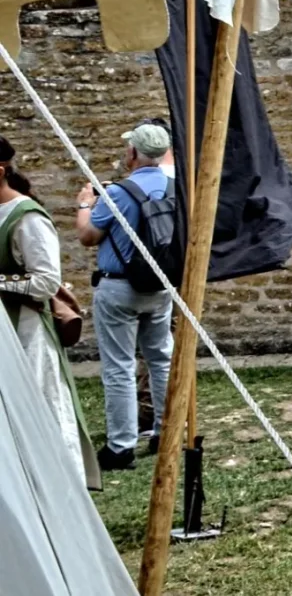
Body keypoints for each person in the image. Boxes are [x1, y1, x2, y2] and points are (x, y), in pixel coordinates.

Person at [74, 119, 176, 474]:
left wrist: (86, 204)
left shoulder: (119, 193)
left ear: (133, 152)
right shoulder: (177, 188)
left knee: (119, 366)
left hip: (119, 285)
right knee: (161, 359)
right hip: (160, 285)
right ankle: (165, 431)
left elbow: (89, 236)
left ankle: (121, 446)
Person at [0, 139, 96, 487]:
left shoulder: (27, 218)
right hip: (2, 332)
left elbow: (44, 282)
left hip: (27, 333)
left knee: (43, 411)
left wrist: (0, 281)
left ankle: (62, 490)